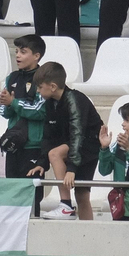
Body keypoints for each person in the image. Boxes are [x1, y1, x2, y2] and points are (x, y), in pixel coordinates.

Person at [35, 60, 104, 220]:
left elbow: (78, 134)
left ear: (52, 86)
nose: (37, 91)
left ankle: (65, 205)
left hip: (88, 146)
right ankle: (82, 228)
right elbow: (48, 136)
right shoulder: (50, 104)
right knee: (81, 195)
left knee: (56, 155)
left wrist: (71, 168)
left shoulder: (75, 100)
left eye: (39, 87)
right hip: (74, 146)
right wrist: (41, 163)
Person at [0, 33, 47, 214]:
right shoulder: (12, 78)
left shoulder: (44, 78)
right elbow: (4, 111)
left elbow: (40, 110)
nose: (17, 55)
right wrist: (8, 105)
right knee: (13, 192)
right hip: (13, 145)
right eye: (16, 51)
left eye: (23, 52)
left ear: (36, 55)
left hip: (34, 146)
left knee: (31, 194)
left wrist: (13, 103)